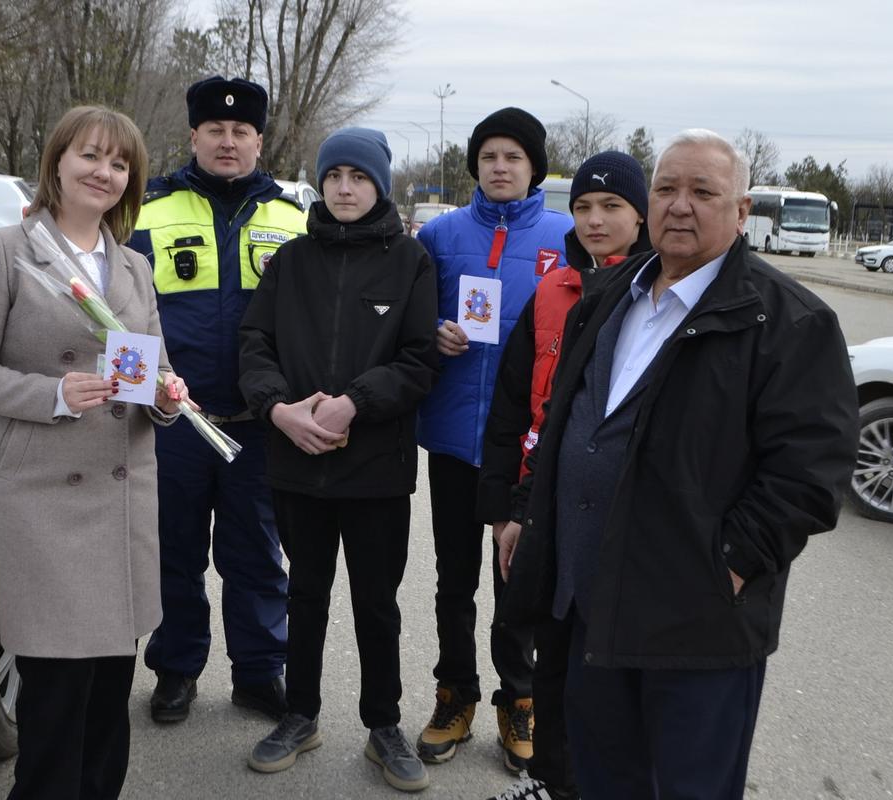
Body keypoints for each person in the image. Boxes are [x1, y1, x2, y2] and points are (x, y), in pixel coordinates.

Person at [496, 129, 858, 799]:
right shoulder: (609, 298)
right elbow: (565, 425)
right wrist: (528, 512)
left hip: (695, 627)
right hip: (588, 608)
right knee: (602, 780)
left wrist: (729, 561)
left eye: (703, 191)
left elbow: (812, 473)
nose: (679, 206)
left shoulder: (789, 323)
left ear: (742, 210)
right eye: (666, 188)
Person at [0, 105, 189, 800]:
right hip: (45, 502)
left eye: (119, 164)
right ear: (56, 162)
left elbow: (154, 369)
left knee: (109, 707)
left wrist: (169, 397)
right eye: (90, 156)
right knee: (53, 709)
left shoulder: (134, 266)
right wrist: (52, 393)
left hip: (121, 498)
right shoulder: (5, 252)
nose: (103, 173)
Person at [239, 127, 439, 792]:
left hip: (376, 468)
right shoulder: (290, 261)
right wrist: (280, 411)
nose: (345, 187)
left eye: (358, 176)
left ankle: (384, 726)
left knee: (376, 603)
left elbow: (419, 359)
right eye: (334, 176)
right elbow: (255, 343)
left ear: (379, 183)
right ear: (320, 184)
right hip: (296, 461)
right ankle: (301, 713)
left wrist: (354, 402)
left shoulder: (410, 261)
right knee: (305, 593)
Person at [129, 75, 307, 724]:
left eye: (241, 132)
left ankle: (260, 674)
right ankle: (176, 670)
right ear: (194, 136)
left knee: (257, 558)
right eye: (216, 131)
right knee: (174, 552)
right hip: (175, 421)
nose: (228, 142)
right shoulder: (147, 211)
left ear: (259, 142)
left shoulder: (292, 219)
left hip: (259, 427)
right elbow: (120, 315)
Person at [479, 150, 651, 800]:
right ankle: (549, 779)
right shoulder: (553, 291)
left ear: (641, 214)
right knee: (548, 650)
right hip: (544, 499)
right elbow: (515, 406)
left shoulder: (656, 297)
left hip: (613, 515)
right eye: (582, 208)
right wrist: (508, 508)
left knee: (601, 666)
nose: (595, 220)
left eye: (611, 207)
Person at [414, 107, 574, 773]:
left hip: (527, 448)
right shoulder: (440, 235)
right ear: (474, 166)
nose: (501, 167)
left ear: (534, 166)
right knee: (455, 579)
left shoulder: (568, 235)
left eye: (513, 156)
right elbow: (406, 316)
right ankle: (456, 694)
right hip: (454, 438)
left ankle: (520, 699)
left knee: (518, 583)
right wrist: (433, 331)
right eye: (489, 157)